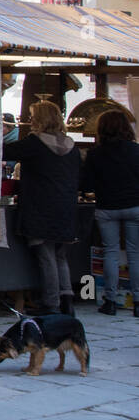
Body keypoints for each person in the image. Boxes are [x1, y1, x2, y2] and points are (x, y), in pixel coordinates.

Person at [2, 101, 81, 316]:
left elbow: (2, 151)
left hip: (40, 208)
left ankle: (51, 304)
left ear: (39, 119)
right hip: (66, 207)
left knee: (46, 256)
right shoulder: (72, 146)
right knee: (60, 256)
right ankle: (67, 303)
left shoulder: (34, 143)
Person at [81, 109, 139, 317]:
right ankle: (138, 302)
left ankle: (111, 301)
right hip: (135, 206)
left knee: (111, 253)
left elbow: (86, 184)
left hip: (107, 208)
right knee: (135, 254)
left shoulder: (96, 154)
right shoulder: (136, 150)